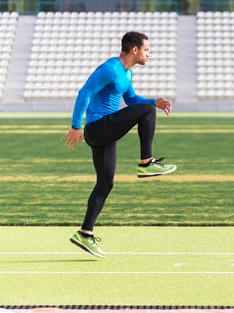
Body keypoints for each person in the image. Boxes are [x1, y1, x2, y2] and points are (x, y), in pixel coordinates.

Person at [61, 31, 176, 258]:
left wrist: (155, 101)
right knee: (146, 112)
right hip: (98, 127)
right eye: (146, 50)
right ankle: (146, 163)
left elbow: (132, 100)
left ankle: (85, 233)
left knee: (105, 184)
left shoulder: (127, 72)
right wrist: (76, 126)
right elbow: (84, 92)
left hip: (105, 132)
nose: (148, 54)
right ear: (135, 49)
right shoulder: (111, 68)